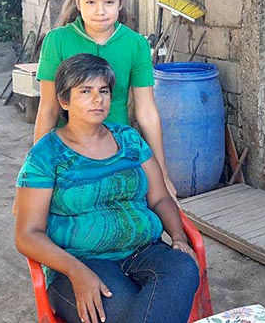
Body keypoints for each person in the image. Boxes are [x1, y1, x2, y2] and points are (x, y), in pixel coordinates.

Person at [15, 54, 199, 323]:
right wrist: (76, 271)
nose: (97, 99)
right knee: (126, 312)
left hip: (145, 249)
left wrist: (179, 238)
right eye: (85, 91)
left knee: (183, 267)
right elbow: (27, 234)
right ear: (64, 101)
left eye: (103, 91)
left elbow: (159, 198)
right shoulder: (46, 155)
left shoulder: (129, 139)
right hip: (83, 259)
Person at [34, 0, 176, 197]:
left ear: (120, 2)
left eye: (109, 2)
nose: (100, 11)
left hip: (119, 152)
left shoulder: (136, 44)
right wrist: (36, 170)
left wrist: (162, 173)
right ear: (77, 2)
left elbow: (147, 111)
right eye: (90, 2)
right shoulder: (57, 41)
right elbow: (48, 109)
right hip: (69, 153)